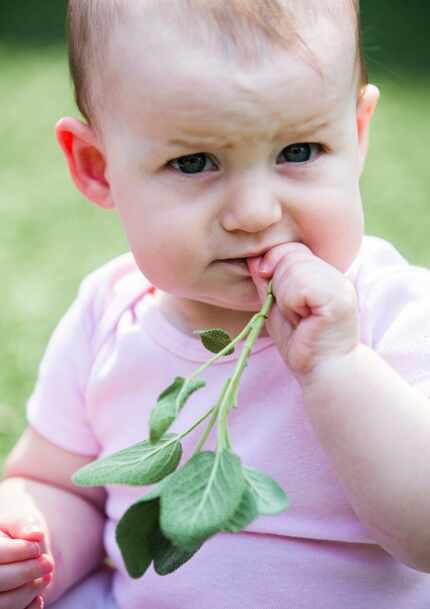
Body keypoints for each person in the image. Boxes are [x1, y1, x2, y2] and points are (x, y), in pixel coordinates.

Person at [1, 0, 430, 607]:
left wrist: (336, 365)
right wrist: (30, 544)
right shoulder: (110, 312)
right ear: (98, 168)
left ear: (356, 135)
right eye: (194, 162)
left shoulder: (393, 308)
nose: (256, 213)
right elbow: (55, 483)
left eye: (300, 151)